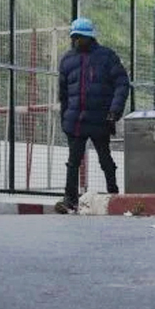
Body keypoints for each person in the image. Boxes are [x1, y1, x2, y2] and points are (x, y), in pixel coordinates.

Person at [55, 17, 131, 213]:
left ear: (90, 37)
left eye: (81, 37)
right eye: (75, 37)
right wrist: (65, 119)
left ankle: (113, 194)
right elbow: (63, 94)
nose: (77, 40)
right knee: (73, 162)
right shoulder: (67, 60)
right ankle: (69, 200)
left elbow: (122, 83)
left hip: (100, 119)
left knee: (105, 159)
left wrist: (114, 110)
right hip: (75, 121)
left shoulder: (107, 57)